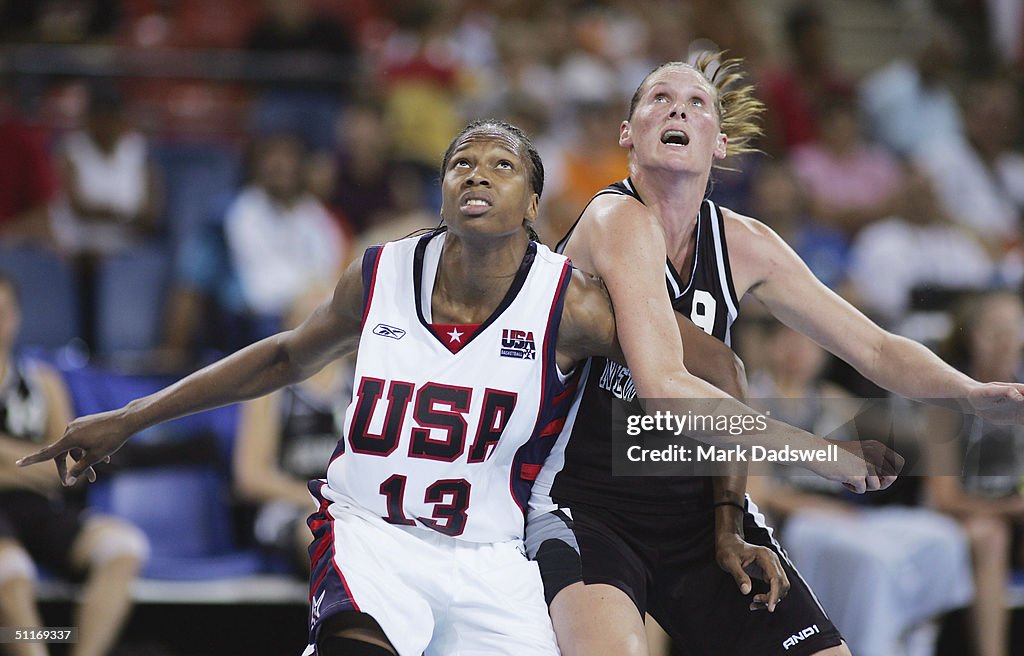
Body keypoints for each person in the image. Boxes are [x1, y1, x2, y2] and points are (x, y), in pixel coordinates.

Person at [17, 120, 891, 656]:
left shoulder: (573, 304)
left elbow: (721, 370)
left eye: (499, 165)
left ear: (534, 200)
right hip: (371, 536)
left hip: (492, 555)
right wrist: (127, 416)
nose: (474, 173)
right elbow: (283, 356)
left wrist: (730, 516)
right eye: (459, 164)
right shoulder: (381, 274)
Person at [525, 52, 1024, 656]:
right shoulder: (613, 218)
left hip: (695, 506)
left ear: (720, 145)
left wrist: (968, 392)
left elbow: (873, 345)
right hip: (589, 499)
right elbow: (663, 385)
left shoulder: (745, 242)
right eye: (659, 98)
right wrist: (821, 453)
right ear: (627, 134)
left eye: (697, 103)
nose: (678, 107)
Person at [0, 273, 149, 656]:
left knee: (123, 547)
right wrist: (31, 461)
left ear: (16, 317)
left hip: (40, 508)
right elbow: (43, 461)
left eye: (3, 313)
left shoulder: (43, 382)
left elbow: (63, 468)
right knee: (10, 571)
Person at [924, 290, 1024, 656]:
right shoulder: (949, 403)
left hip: (1013, 513)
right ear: (973, 337)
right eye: (994, 331)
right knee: (990, 535)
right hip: (966, 517)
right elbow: (944, 497)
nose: (1006, 341)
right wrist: (1012, 508)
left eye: (1014, 328)